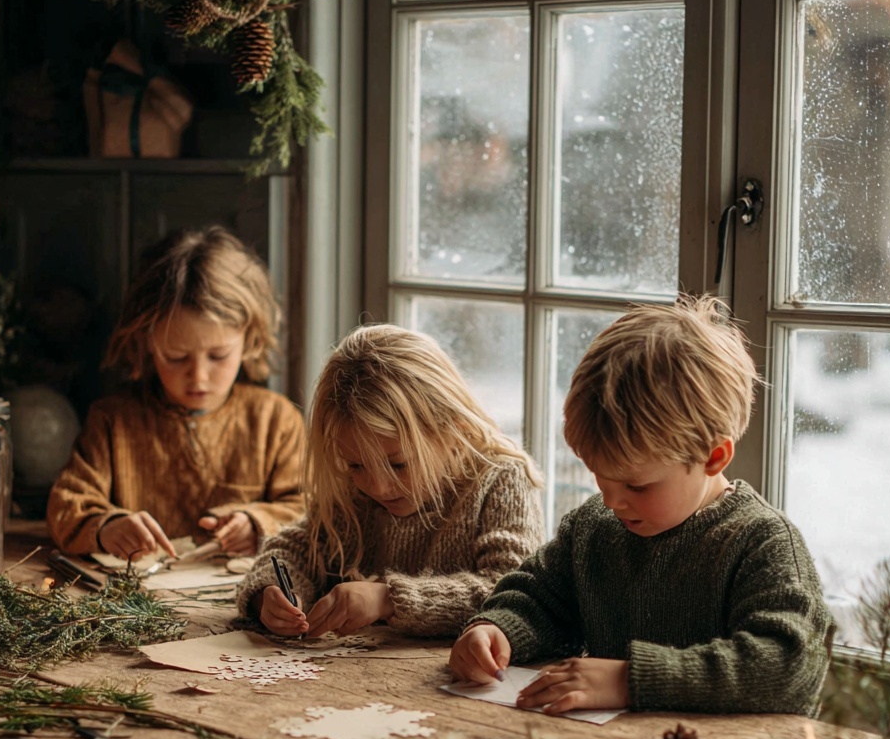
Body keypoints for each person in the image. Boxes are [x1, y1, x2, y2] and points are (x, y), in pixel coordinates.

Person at [449, 296, 833, 717]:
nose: (612, 501)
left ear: (713, 457)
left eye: (637, 484)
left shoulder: (762, 541)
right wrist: (495, 628)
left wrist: (630, 679)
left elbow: (789, 668)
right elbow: (539, 599)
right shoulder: (593, 526)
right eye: (598, 474)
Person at [235, 324, 545, 638]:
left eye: (398, 464)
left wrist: (388, 599)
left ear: (456, 430)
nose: (378, 487)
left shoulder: (502, 481)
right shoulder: (355, 492)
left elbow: (514, 594)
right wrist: (271, 593)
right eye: (356, 465)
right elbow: (291, 548)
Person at [46, 226, 306, 559]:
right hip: (134, 604)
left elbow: (310, 508)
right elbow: (65, 506)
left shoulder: (276, 421)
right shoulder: (113, 421)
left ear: (250, 338)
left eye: (218, 356)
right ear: (146, 342)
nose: (198, 376)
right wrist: (107, 527)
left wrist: (258, 523)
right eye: (177, 357)